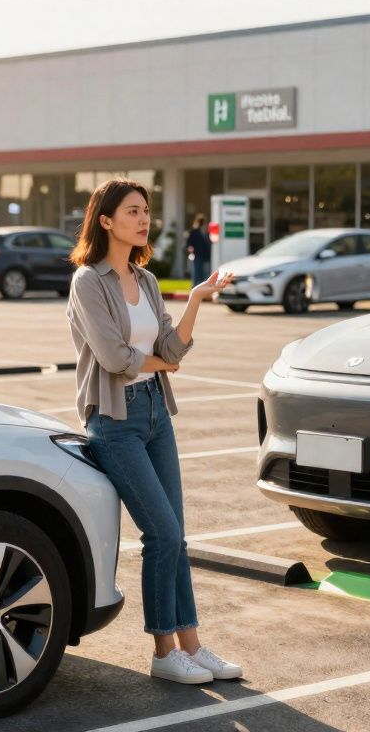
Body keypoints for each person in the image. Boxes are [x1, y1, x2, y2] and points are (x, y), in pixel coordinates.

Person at [67, 178, 240, 685]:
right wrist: (163, 363)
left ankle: (191, 644)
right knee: (161, 533)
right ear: (106, 221)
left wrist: (198, 299)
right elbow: (116, 359)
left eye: (146, 211)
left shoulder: (144, 280)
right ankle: (164, 652)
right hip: (114, 421)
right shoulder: (88, 282)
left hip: (156, 413)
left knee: (177, 536)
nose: (144, 219)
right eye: (133, 211)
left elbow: (174, 347)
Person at [186, 213, 211, 287]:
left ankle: (200, 287)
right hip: (198, 254)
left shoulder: (205, 232)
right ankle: (196, 287)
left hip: (205, 255)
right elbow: (189, 243)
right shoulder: (194, 231)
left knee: (203, 273)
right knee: (198, 272)